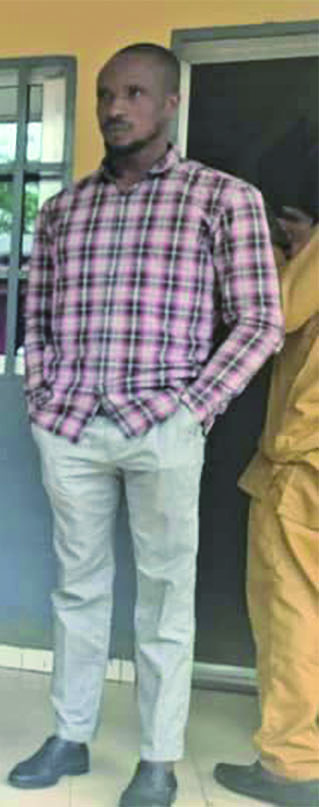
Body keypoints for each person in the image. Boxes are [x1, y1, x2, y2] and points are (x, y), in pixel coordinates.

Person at [11, 43, 283, 807]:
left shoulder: (220, 198)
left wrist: (193, 407)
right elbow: (36, 318)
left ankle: (158, 756)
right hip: (70, 425)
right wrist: (41, 398)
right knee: (76, 587)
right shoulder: (63, 210)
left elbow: (259, 320)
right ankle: (69, 735)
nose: (113, 107)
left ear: (168, 104)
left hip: (162, 423)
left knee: (163, 597)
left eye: (133, 93)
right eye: (105, 94)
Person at [213, 207, 319, 807]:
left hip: (307, 464)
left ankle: (291, 764)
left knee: (293, 612)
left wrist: (279, 254)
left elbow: (274, 315)